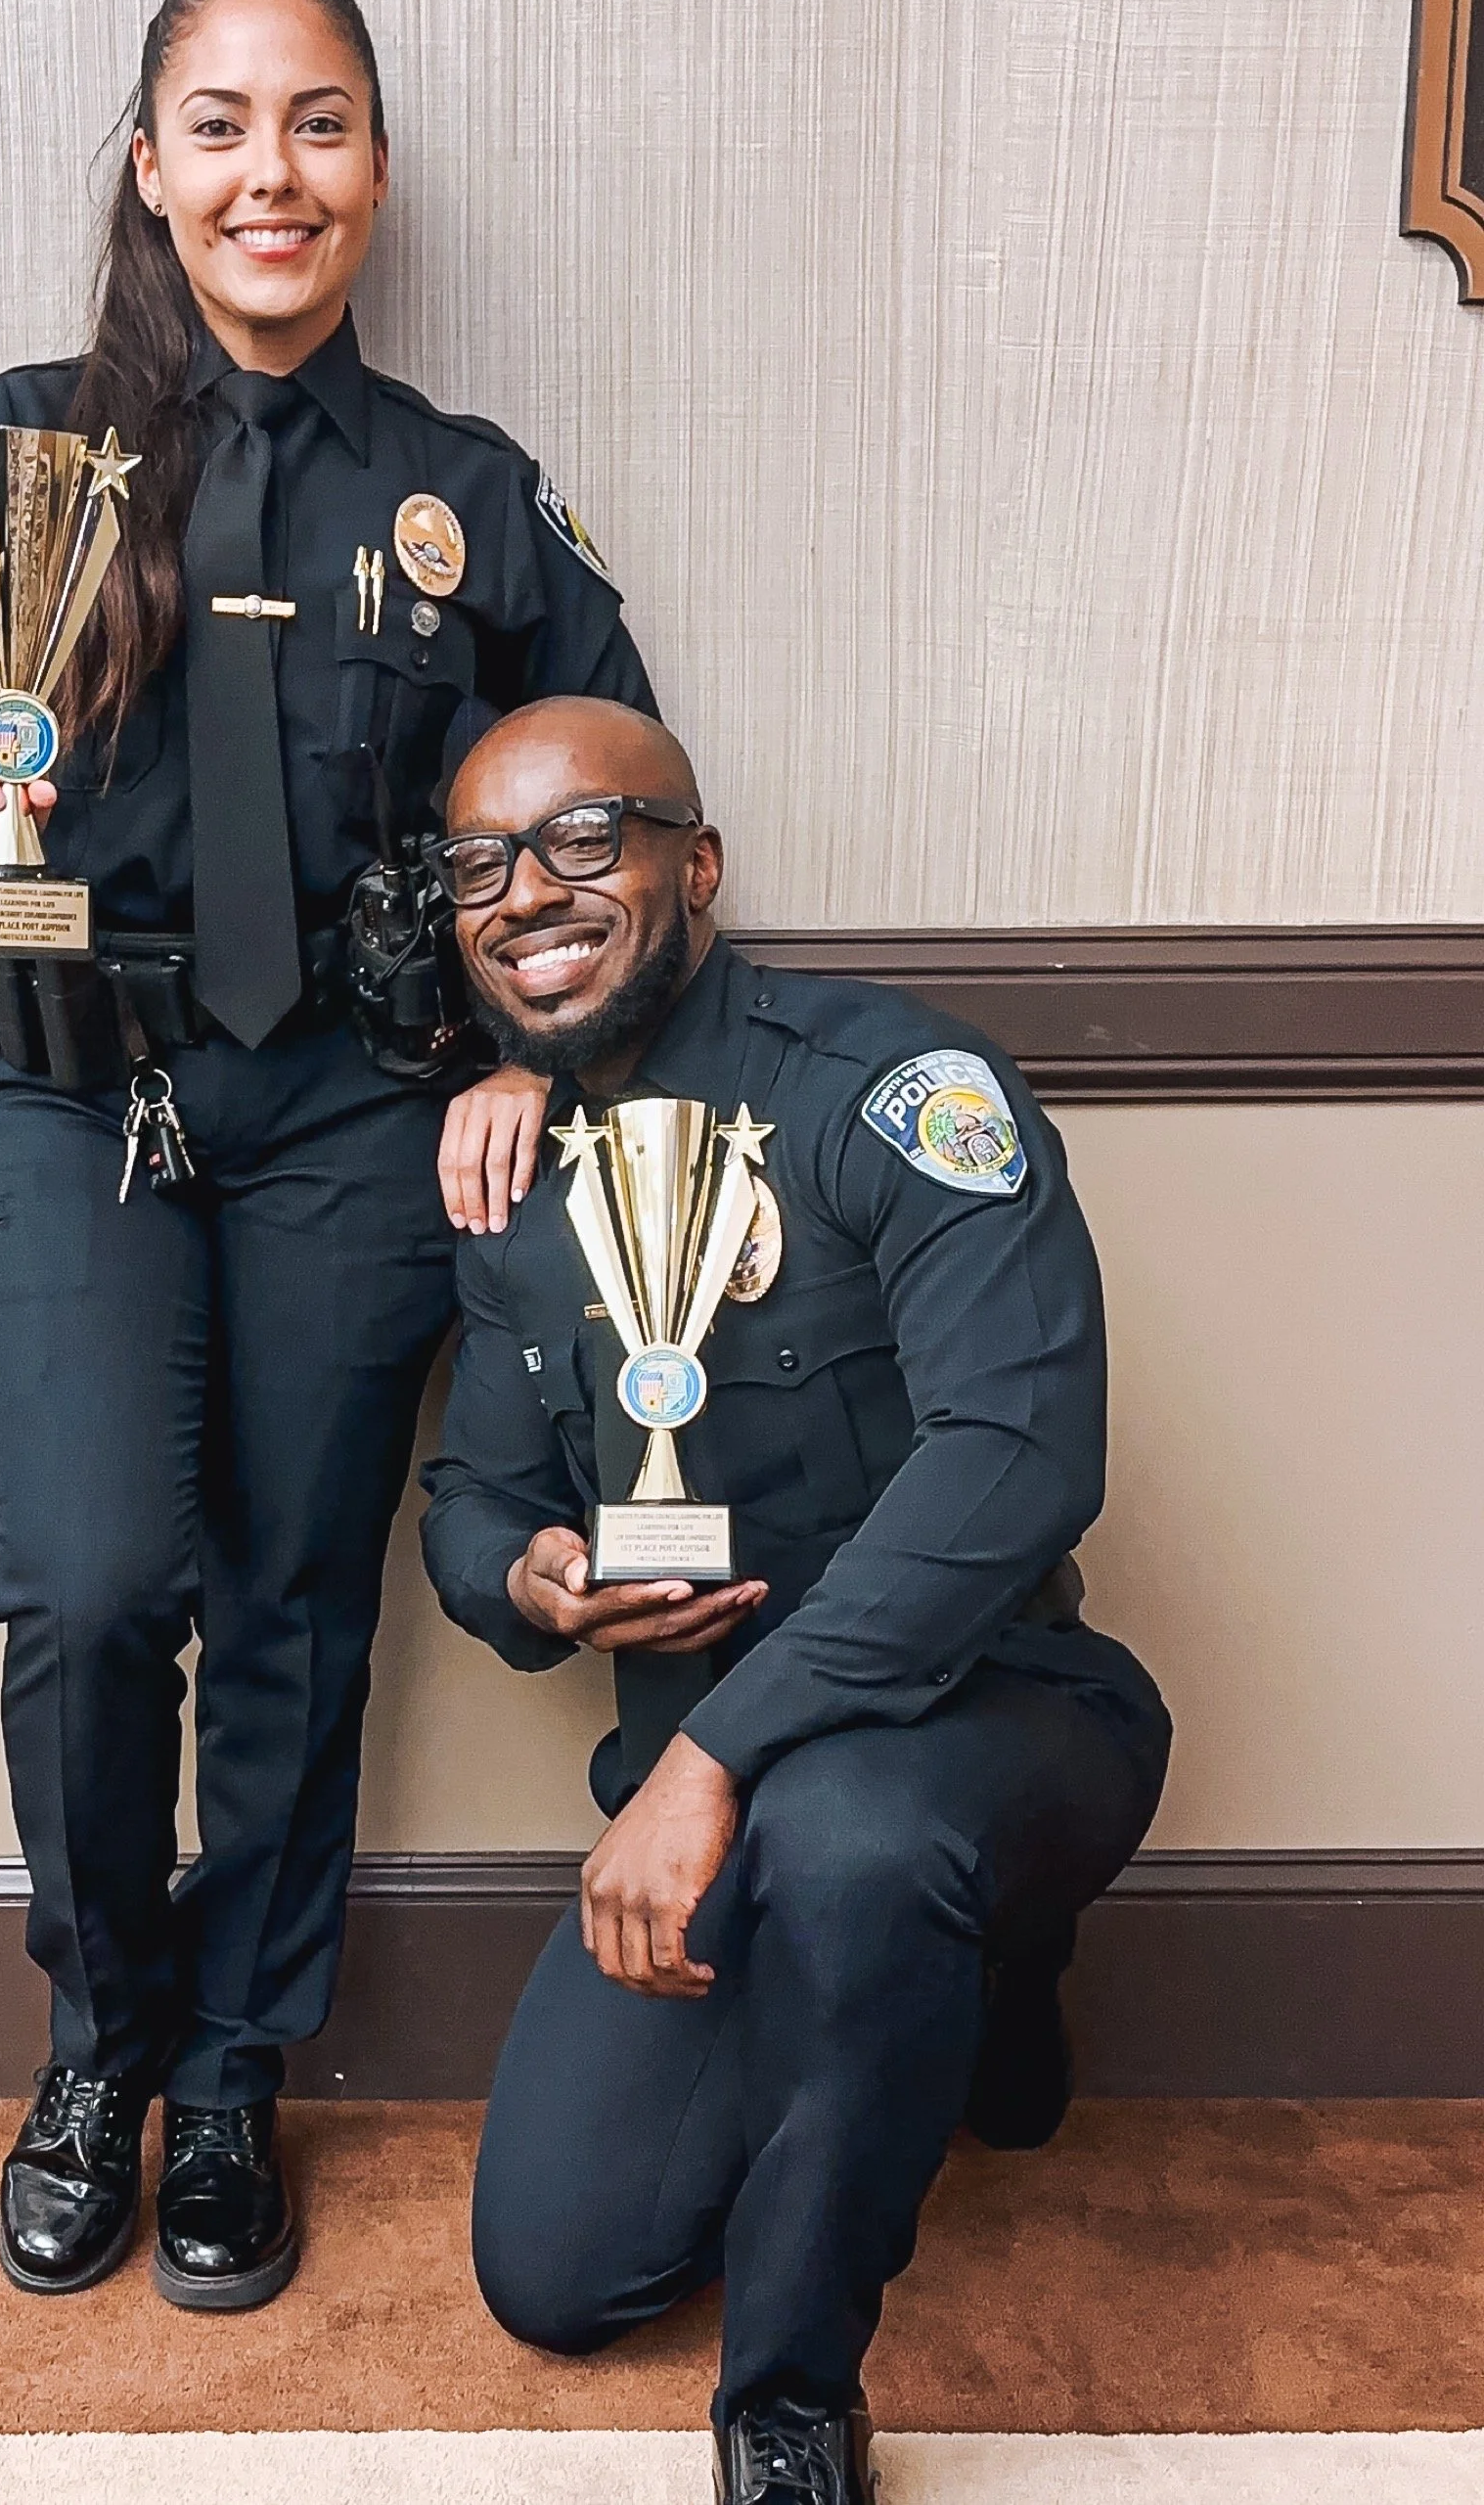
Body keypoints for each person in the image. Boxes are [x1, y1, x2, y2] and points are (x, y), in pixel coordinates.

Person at [0, 0, 658, 2310]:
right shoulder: (12, 461)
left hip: (352, 1123)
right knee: (100, 1592)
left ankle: (234, 2077)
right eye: (219, 124)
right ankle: (101, 2042)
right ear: (149, 168)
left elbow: (610, 796)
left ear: (374, 173)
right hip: (66, 1093)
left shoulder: (462, 498)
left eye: (316, 124)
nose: (268, 173)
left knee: (298, 1604)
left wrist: (532, 1047)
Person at [418, 701, 1171, 2502]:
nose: (529, 893)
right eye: (480, 867)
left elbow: (1019, 1457)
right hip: (713, 1799)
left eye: (585, 840)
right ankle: (926, 1986)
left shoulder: (898, 1091)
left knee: (851, 1839)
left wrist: (716, 1758)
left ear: (702, 865)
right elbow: (474, 1500)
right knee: (559, 2275)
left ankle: (790, 2403)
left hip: (990, 1719)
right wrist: (527, 1578)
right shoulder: (519, 1187)